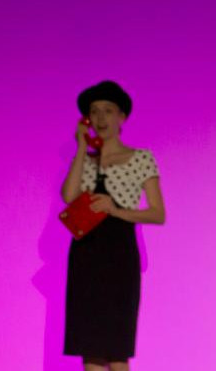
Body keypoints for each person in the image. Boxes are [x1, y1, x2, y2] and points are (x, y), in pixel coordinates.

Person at [61, 80, 166, 371]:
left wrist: (115, 209)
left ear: (122, 117)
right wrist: (82, 148)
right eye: (94, 112)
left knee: (117, 350)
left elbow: (157, 213)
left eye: (108, 110)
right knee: (90, 349)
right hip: (86, 254)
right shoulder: (85, 160)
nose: (101, 118)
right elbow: (68, 196)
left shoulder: (140, 158)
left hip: (119, 255)